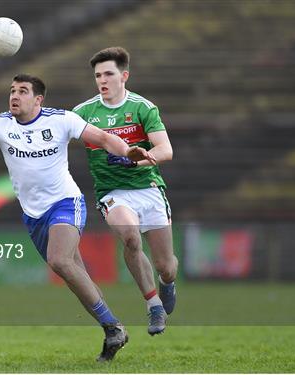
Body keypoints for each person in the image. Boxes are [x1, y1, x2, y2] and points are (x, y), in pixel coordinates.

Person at [0, 74, 156, 361]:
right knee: (76, 276)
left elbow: (103, 137)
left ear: (38, 99)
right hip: (33, 215)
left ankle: (114, 329)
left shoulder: (61, 120)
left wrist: (127, 151)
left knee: (60, 261)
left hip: (66, 203)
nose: (14, 96)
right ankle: (111, 330)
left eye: (22, 91)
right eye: (12, 91)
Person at [73, 47, 178, 336]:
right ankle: (153, 304)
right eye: (97, 75)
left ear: (124, 76)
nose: (102, 80)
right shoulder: (83, 112)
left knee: (166, 265)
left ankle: (167, 283)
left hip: (148, 188)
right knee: (130, 237)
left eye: (108, 74)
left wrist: (138, 157)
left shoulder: (143, 107)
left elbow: (165, 150)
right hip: (112, 192)